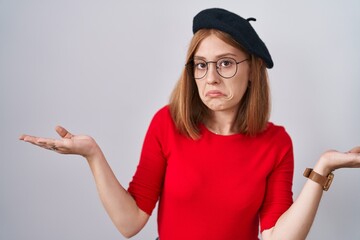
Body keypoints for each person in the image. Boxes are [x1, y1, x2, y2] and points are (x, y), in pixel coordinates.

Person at [19, 8, 360, 240]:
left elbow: (275, 235)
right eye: (200, 65)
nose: (210, 77)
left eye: (225, 63)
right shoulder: (167, 124)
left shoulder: (276, 143)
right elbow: (131, 221)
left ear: (253, 71)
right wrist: (92, 154)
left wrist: (323, 167)